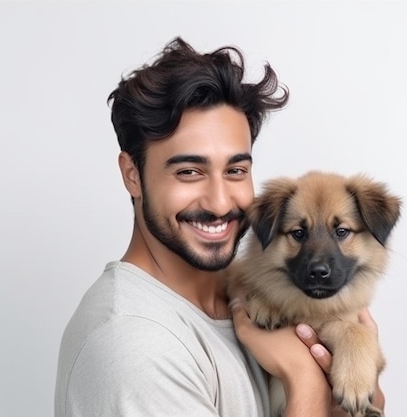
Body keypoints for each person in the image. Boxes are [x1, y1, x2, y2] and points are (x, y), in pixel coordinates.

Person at [54, 36, 385, 417]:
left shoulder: (261, 297)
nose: (220, 202)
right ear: (132, 175)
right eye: (189, 171)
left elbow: (369, 402)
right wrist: (305, 380)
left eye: (235, 170)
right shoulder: (133, 346)